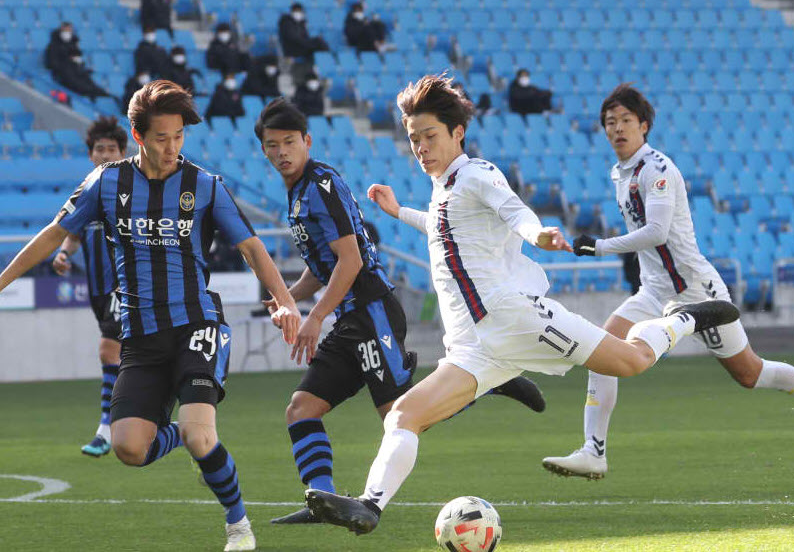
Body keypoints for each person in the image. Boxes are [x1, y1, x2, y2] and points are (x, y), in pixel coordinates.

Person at [302, 74, 740, 535]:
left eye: (430, 136)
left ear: (457, 133)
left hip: (517, 321)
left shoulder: (478, 174)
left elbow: (515, 213)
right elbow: (442, 227)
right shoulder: (445, 188)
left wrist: (539, 235)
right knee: (402, 415)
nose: (421, 147)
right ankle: (370, 506)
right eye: (414, 139)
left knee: (629, 361)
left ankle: (684, 319)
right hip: (473, 345)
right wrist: (398, 212)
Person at [0, 80, 301, 552]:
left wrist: (284, 299)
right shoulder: (107, 182)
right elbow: (52, 233)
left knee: (203, 434)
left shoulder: (203, 184)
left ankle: (239, 526)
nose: (172, 147)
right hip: (140, 337)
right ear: (138, 137)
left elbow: (252, 246)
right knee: (129, 448)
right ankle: (184, 437)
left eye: (179, 136)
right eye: (162, 138)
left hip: (196, 325)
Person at [254, 98, 547, 525]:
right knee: (301, 409)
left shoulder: (320, 185)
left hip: (371, 312)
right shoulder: (297, 194)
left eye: (288, 142)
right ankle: (322, 501)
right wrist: (288, 299)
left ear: (307, 141)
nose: (281, 152)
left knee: (399, 418)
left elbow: (350, 261)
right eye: (271, 145)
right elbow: (326, 266)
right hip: (350, 318)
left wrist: (314, 316)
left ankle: (485, 382)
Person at [541, 84, 794, 481]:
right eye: (609, 122)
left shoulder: (657, 169)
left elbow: (656, 232)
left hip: (695, 291)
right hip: (655, 290)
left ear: (644, 125)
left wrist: (596, 247)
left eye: (625, 121)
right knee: (602, 350)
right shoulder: (620, 172)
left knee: (749, 374)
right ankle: (593, 451)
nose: (617, 129)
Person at [51, 116, 128, 457]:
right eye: (100, 149)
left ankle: (105, 429)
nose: (105, 154)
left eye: (111, 149)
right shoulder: (87, 192)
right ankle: (149, 419)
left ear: (123, 152)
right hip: (98, 288)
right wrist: (64, 254)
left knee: (108, 350)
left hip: (124, 286)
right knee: (125, 357)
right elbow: (74, 231)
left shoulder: (129, 190)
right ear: (90, 154)